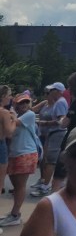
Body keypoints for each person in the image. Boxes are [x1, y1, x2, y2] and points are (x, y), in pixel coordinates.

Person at [0, 95, 40, 228]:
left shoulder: (29, 115)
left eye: (26, 102)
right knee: (15, 185)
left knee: (20, 186)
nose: (23, 105)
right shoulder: (15, 115)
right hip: (14, 153)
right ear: (15, 104)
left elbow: (12, 126)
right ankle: (14, 213)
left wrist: (7, 115)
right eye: (20, 103)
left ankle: (15, 215)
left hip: (26, 153)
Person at [51, 73, 76, 192]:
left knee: (60, 170)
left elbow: (65, 123)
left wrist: (60, 120)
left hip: (71, 137)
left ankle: (55, 195)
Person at [31, 83, 69, 196]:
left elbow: (61, 121)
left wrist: (45, 123)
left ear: (57, 91)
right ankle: (48, 183)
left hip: (57, 133)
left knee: (51, 161)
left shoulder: (60, 102)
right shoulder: (58, 102)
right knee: (47, 159)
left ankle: (45, 186)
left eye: (51, 90)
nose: (49, 93)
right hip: (51, 133)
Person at [0, 85, 17, 194]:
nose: (11, 98)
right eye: (9, 95)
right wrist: (14, 120)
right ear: (3, 96)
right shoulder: (4, 112)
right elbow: (9, 133)